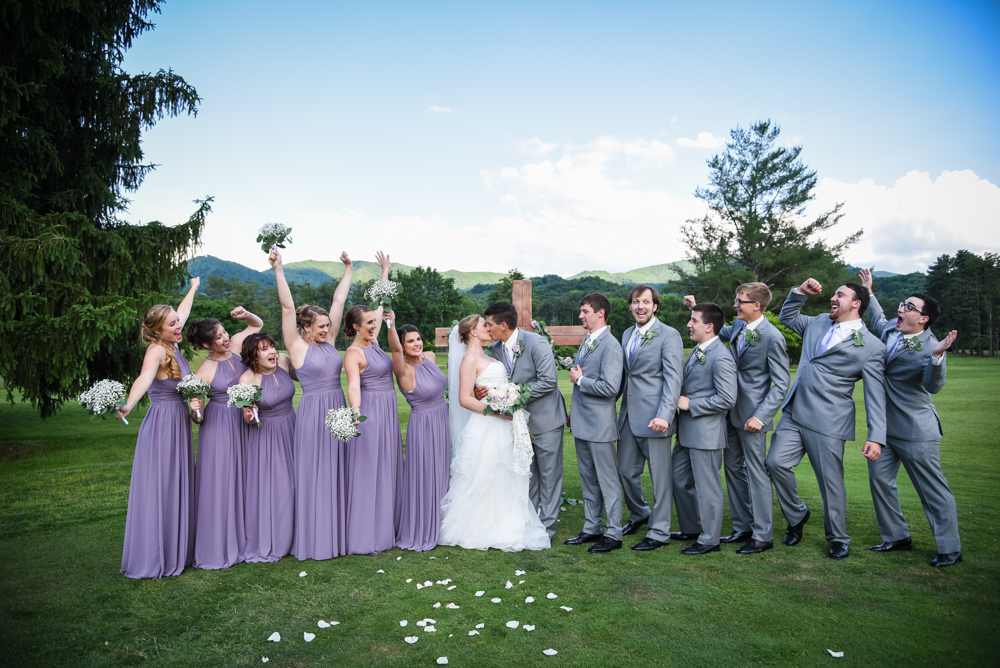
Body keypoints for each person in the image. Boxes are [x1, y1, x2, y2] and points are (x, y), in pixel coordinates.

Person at [767, 278, 887, 560]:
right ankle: (797, 515)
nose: (833, 298)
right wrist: (799, 293)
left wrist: (876, 436)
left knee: (830, 482)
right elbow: (788, 316)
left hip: (829, 420)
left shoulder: (871, 346)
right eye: (833, 294)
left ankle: (838, 537)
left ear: (856, 304)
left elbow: (875, 395)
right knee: (775, 463)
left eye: (840, 295)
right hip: (794, 411)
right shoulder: (819, 321)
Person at [859, 269, 962, 567]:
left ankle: (950, 548)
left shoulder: (932, 347)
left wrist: (938, 357)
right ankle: (896, 537)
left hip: (917, 430)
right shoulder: (893, 328)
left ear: (924, 319)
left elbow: (933, 386)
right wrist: (870, 291)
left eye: (909, 307)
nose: (901, 309)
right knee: (880, 481)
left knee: (932, 491)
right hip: (883, 431)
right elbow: (877, 319)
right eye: (903, 304)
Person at [683, 284, 790, 554]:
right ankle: (743, 526)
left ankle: (763, 536)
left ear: (756, 305)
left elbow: (781, 384)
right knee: (733, 471)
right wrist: (696, 305)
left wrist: (761, 416)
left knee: (757, 474)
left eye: (740, 302)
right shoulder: (739, 328)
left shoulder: (772, 337)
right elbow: (713, 326)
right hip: (728, 414)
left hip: (753, 417)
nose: (735, 306)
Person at [438, 315, 550, 552]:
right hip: (487, 424)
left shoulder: (490, 356)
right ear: (473, 333)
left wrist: (506, 400)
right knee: (485, 473)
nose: (488, 329)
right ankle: (476, 527)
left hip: (504, 424)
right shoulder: (469, 359)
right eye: (483, 326)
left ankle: (506, 522)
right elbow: (464, 399)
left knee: (504, 473)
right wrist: (496, 411)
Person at [270, 247, 353, 562]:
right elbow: (287, 306)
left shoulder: (329, 342)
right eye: (320, 327)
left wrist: (348, 268)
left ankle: (337, 531)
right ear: (305, 328)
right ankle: (315, 537)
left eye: (327, 326)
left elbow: (339, 302)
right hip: (314, 413)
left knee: (336, 469)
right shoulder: (296, 345)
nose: (326, 329)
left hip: (338, 406)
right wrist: (279, 268)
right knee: (315, 472)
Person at [116, 278, 200, 579]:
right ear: (158, 330)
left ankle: (176, 547)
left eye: (178, 322)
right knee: (162, 486)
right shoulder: (156, 351)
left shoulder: (172, 342)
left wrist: (192, 289)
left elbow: (183, 312)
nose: (179, 326)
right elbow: (143, 378)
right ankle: (156, 555)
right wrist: (128, 403)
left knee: (175, 482)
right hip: (163, 425)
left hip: (177, 422)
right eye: (173, 324)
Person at [476, 302, 566, 540]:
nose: (487, 327)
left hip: (546, 420)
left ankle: (546, 529)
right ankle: (529, 522)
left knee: (549, 476)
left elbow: (548, 382)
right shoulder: (496, 350)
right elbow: (497, 382)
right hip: (518, 424)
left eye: (490, 324)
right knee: (528, 475)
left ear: (503, 325)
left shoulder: (537, 343)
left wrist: (512, 393)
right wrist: (487, 393)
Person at [186, 306, 263, 569]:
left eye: (225, 332)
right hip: (219, 428)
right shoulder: (203, 371)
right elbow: (198, 418)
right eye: (219, 337)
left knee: (248, 478)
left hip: (245, 423)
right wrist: (195, 411)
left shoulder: (240, 347)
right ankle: (220, 544)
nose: (226, 338)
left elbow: (257, 325)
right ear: (208, 344)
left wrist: (247, 315)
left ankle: (250, 539)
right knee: (221, 482)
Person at [343, 252, 403, 555]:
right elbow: (353, 384)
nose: (373, 325)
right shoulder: (354, 353)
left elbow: (381, 305)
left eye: (373, 322)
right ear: (356, 327)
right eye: (368, 323)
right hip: (371, 412)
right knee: (370, 470)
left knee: (388, 465)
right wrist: (356, 410)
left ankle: (387, 526)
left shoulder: (375, 342)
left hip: (388, 409)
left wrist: (385, 272)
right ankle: (367, 535)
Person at [616, 285, 684, 551]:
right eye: (635, 302)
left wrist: (665, 415)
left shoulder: (669, 335)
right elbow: (625, 376)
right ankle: (640, 513)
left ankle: (660, 531)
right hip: (629, 417)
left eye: (645, 302)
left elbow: (673, 379)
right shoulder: (626, 334)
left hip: (656, 419)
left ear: (655, 306)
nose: (639, 307)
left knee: (660, 478)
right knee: (624, 471)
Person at [670, 303, 738, 555]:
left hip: (706, 433)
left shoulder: (721, 356)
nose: (689, 324)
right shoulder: (700, 349)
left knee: (708, 487)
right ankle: (691, 527)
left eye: (693, 321)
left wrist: (691, 404)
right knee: (678, 478)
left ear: (709, 327)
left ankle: (709, 540)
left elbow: (727, 398)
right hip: (687, 432)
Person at [566, 293, 624, 553]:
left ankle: (614, 532)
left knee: (607, 480)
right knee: (588, 479)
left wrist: (579, 381)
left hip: (600, 424)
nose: (581, 316)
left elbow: (611, 388)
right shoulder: (587, 341)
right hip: (581, 422)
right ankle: (591, 527)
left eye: (585, 311)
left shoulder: (611, 345)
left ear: (601, 313)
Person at [388, 318, 450, 552]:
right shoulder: (403, 368)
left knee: (442, 470)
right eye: (410, 341)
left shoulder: (431, 358)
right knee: (425, 473)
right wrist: (391, 326)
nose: (417, 344)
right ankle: (424, 525)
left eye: (418, 339)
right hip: (423, 425)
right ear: (402, 346)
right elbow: (393, 348)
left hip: (442, 420)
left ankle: (444, 522)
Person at [239, 332, 297, 563]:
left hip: (293, 427)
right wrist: (250, 413)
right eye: (264, 349)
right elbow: (247, 419)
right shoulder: (247, 380)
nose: (272, 352)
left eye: (271, 346)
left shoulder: (283, 360)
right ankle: (277, 539)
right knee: (280, 488)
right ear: (253, 356)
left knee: (298, 483)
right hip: (268, 437)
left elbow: (304, 376)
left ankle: (298, 535)